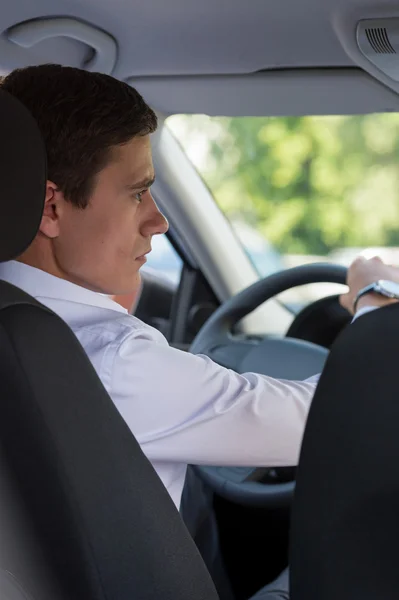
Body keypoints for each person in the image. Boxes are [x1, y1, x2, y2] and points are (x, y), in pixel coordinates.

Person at [0, 64, 398, 599]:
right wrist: (377, 300)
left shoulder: (23, 328)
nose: (158, 221)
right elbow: (334, 422)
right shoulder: (109, 359)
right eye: (138, 193)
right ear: (51, 205)